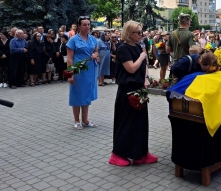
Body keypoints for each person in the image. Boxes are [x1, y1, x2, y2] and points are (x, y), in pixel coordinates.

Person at [109, 21, 158, 166]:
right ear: (129, 33)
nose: (141, 35)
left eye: (141, 31)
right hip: (127, 90)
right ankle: (117, 154)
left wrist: (146, 78)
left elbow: (144, 66)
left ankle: (140, 153)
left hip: (139, 88)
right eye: (138, 32)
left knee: (140, 123)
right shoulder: (123, 48)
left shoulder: (137, 46)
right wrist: (142, 57)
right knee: (126, 123)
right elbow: (131, 68)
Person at [66, 16, 99, 130]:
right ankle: (76, 120)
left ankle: (85, 119)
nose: (87, 27)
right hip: (77, 70)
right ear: (79, 26)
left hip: (90, 70)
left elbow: (96, 51)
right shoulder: (73, 40)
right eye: (84, 25)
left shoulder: (93, 39)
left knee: (86, 94)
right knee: (77, 94)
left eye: (88, 24)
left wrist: (95, 55)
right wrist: (69, 74)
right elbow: (69, 58)